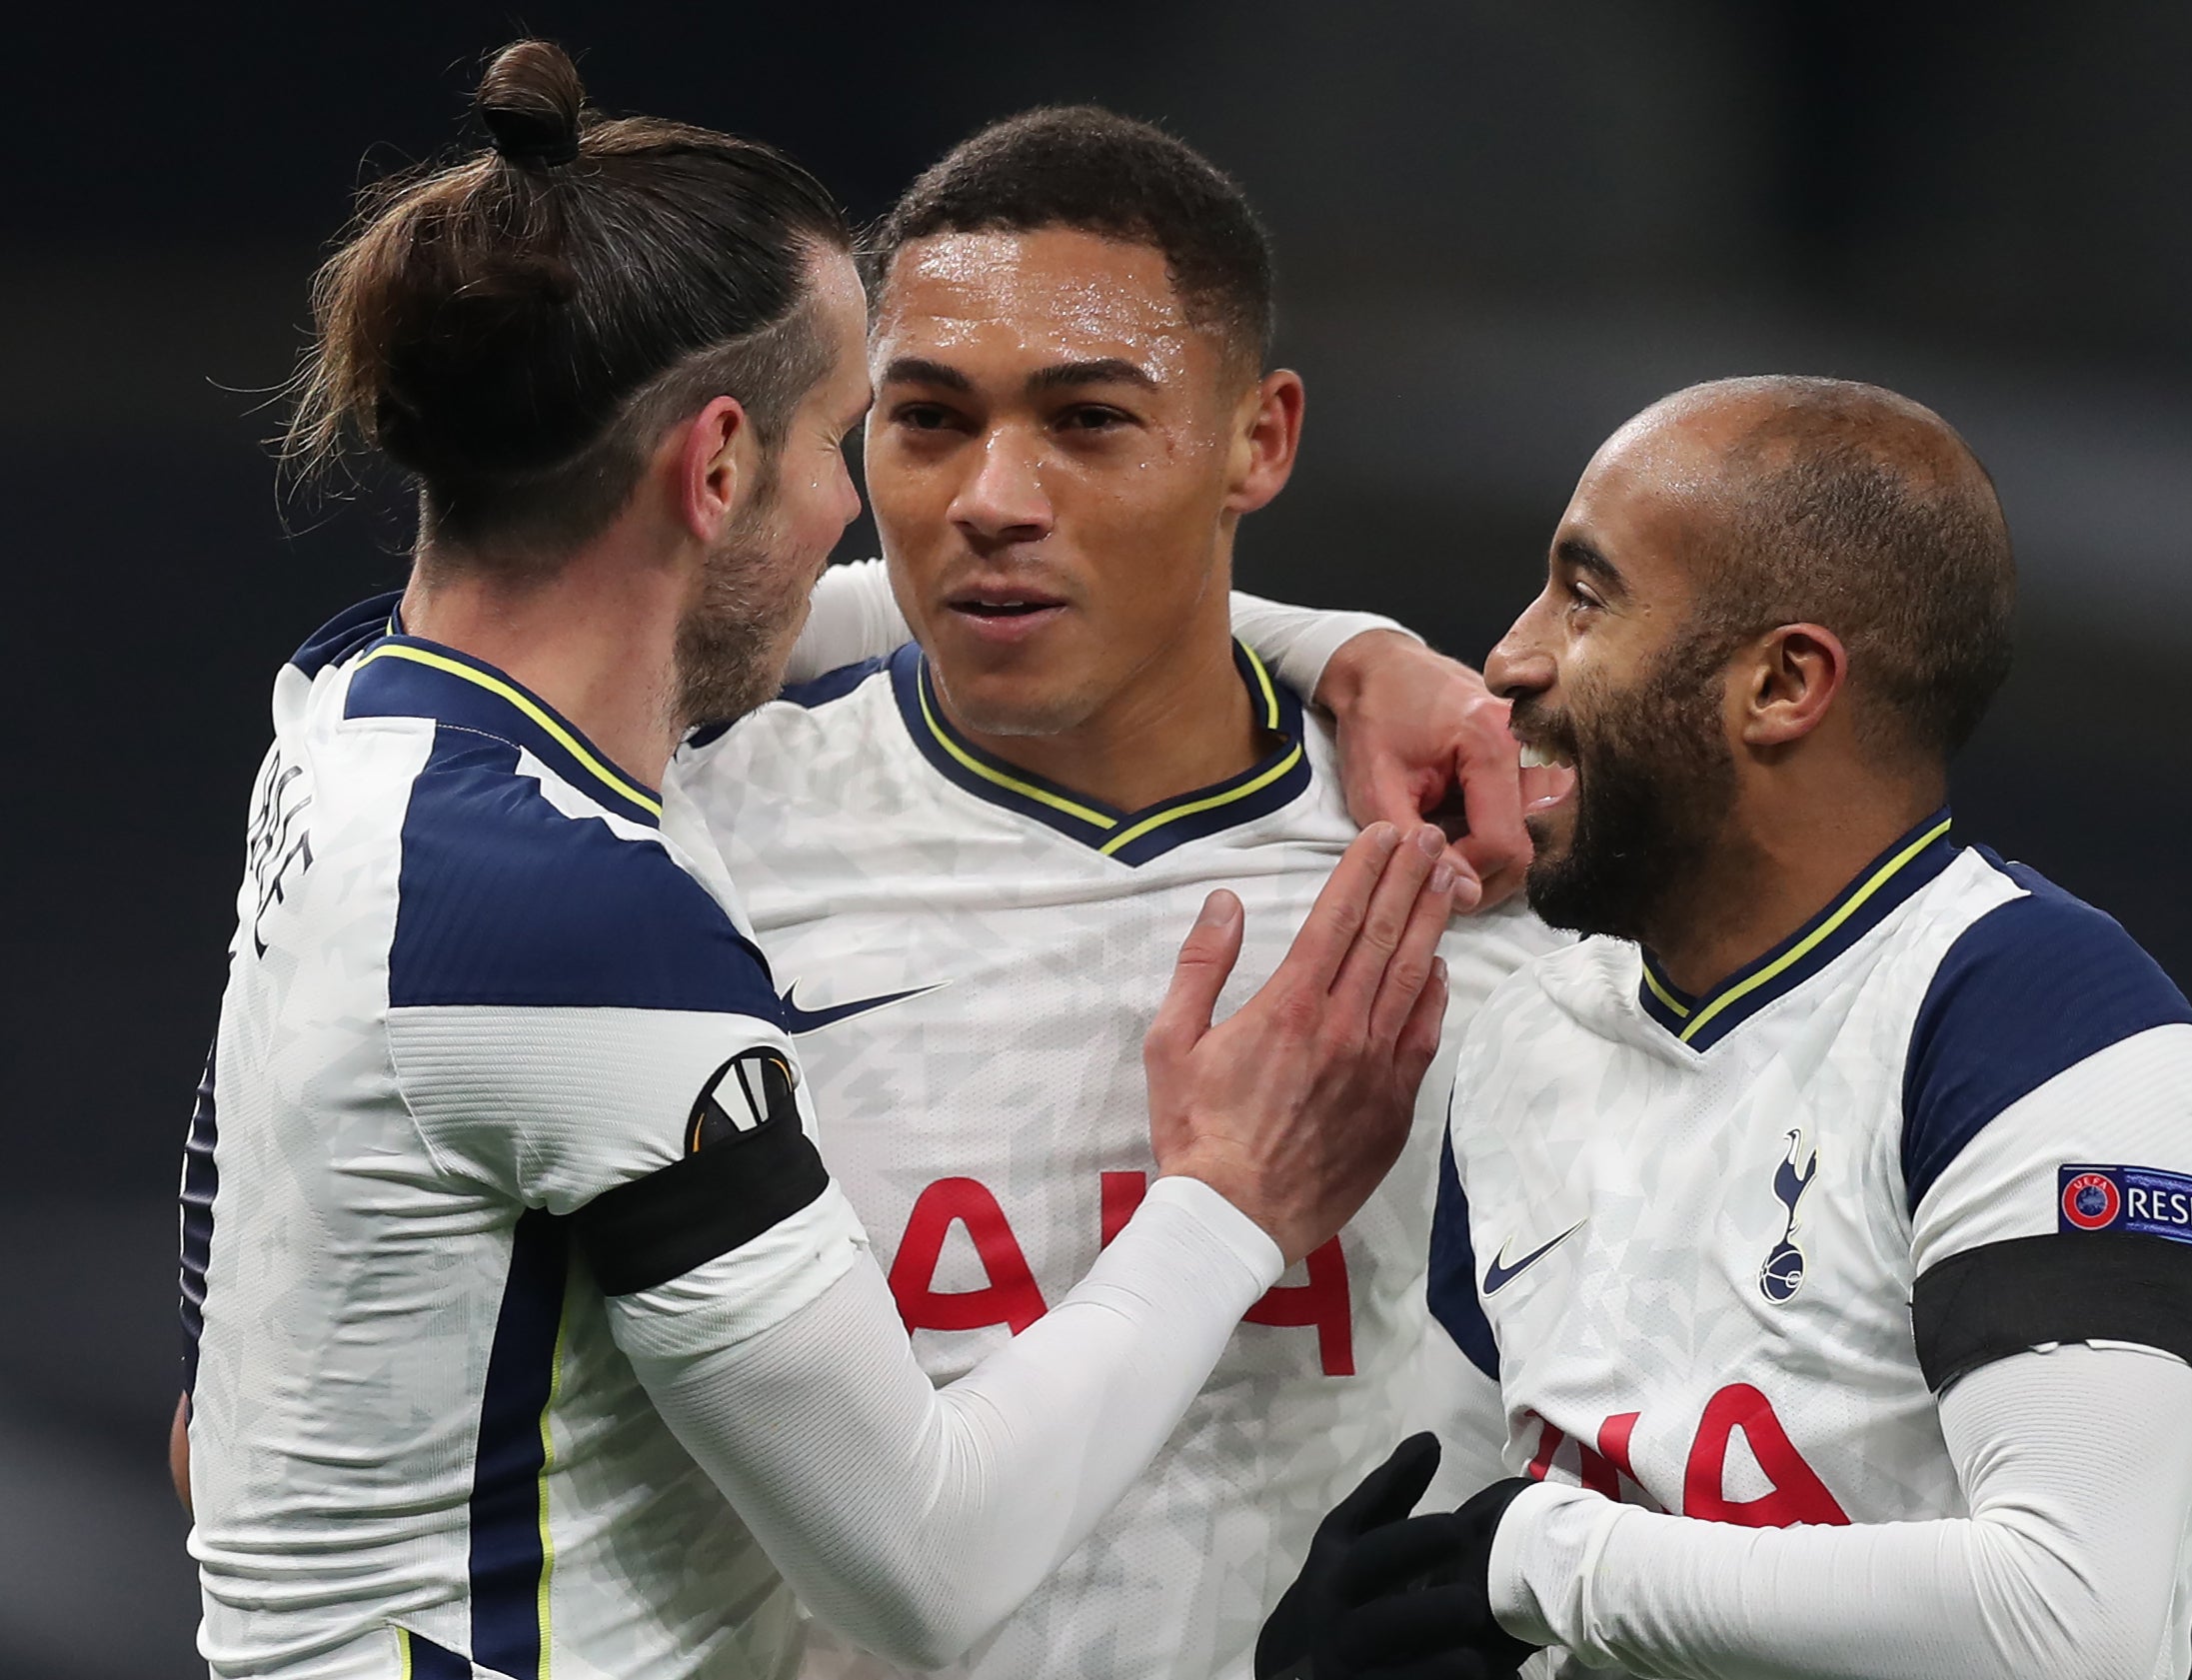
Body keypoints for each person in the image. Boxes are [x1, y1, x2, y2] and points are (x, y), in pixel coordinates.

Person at [174, 43, 1477, 1680]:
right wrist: (1230, 1197)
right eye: (871, 432)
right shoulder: (586, 916)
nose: (897, 514)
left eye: (1082, 420)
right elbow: (923, 1568)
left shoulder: (354, 722)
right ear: (716, 470)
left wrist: (1340, 648)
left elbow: (756, 619)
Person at [673, 108, 1568, 1680]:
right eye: (928, 420)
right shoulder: (689, 846)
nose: (992, 497)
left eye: (1088, 423)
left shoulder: (1489, 861)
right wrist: (1340, 639)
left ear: (1260, 440)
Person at [1264, 377, 2192, 1680]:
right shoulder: (1528, 1032)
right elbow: (1449, 1542)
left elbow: (2075, 1625)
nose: (1508, 656)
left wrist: (1547, 1563)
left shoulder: (2043, 1026)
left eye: (1584, 592)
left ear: (1780, 683)